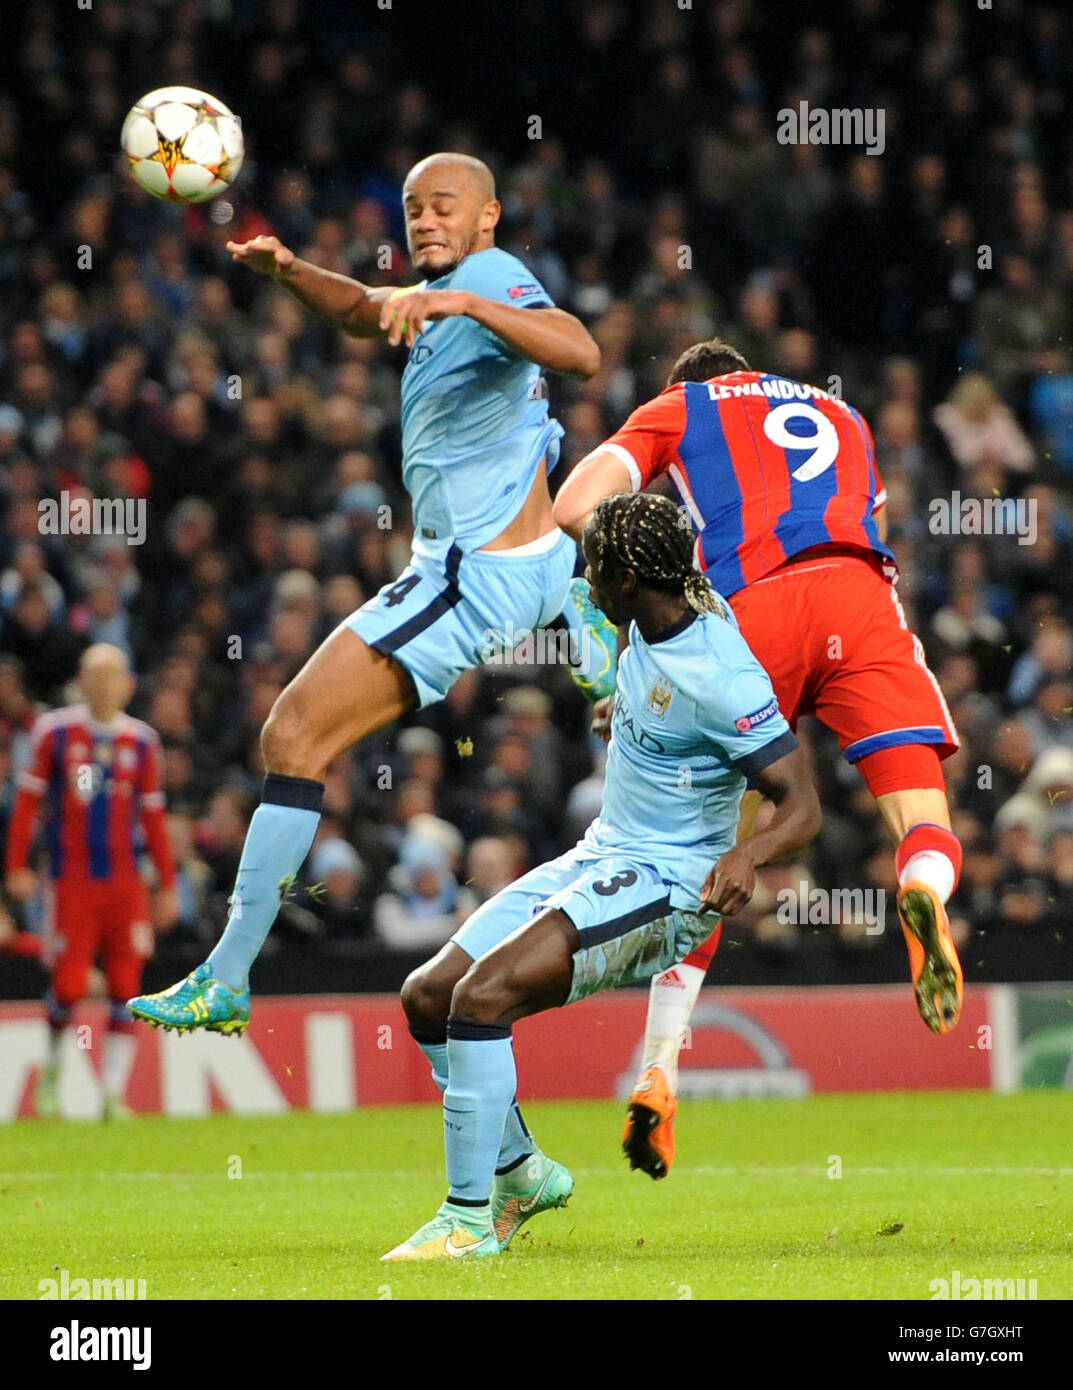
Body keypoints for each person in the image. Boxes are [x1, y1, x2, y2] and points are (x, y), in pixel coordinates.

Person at [128, 152, 606, 1036]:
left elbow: (580, 350)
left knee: (292, 734)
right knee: (299, 737)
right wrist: (290, 271)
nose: (424, 220)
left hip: (468, 575)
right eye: (414, 207)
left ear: (488, 217)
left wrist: (463, 300)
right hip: (515, 558)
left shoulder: (488, 280)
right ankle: (581, 605)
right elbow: (360, 311)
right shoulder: (436, 295)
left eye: (445, 206)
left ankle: (228, 976)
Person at [553, 340, 964, 1178]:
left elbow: (574, 508)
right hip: (858, 595)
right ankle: (921, 891)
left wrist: (639, 660)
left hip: (750, 612)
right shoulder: (844, 416)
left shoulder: (684, 406)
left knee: (709, 856)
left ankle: (657, 1070)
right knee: (921, 812)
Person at [382, 493, 820, 1259]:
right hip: (604, 850)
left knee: (483, 999)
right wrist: (621, 707)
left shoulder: (719, 674)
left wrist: (747, 854)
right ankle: (521, 1173)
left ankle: (466, 1221)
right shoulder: (650, 612)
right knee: (427, 995)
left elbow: (802, 801)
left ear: (628, 577)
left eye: (597, 565)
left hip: (670, 884)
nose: (587, 576)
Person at [4, 645, 178, 1118]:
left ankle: (112, 1094)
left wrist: (168, 882)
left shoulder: (142, 742)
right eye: (95, 676)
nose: (104, 685)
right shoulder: (55, 733)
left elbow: (155, 818)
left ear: (129, 685)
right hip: (71, 882)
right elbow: (27, 804)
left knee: (127, 983)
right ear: (80, 682)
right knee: (68, 985)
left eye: (113, 676)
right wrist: (16, 865)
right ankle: (53, 1076)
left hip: (125, 883)